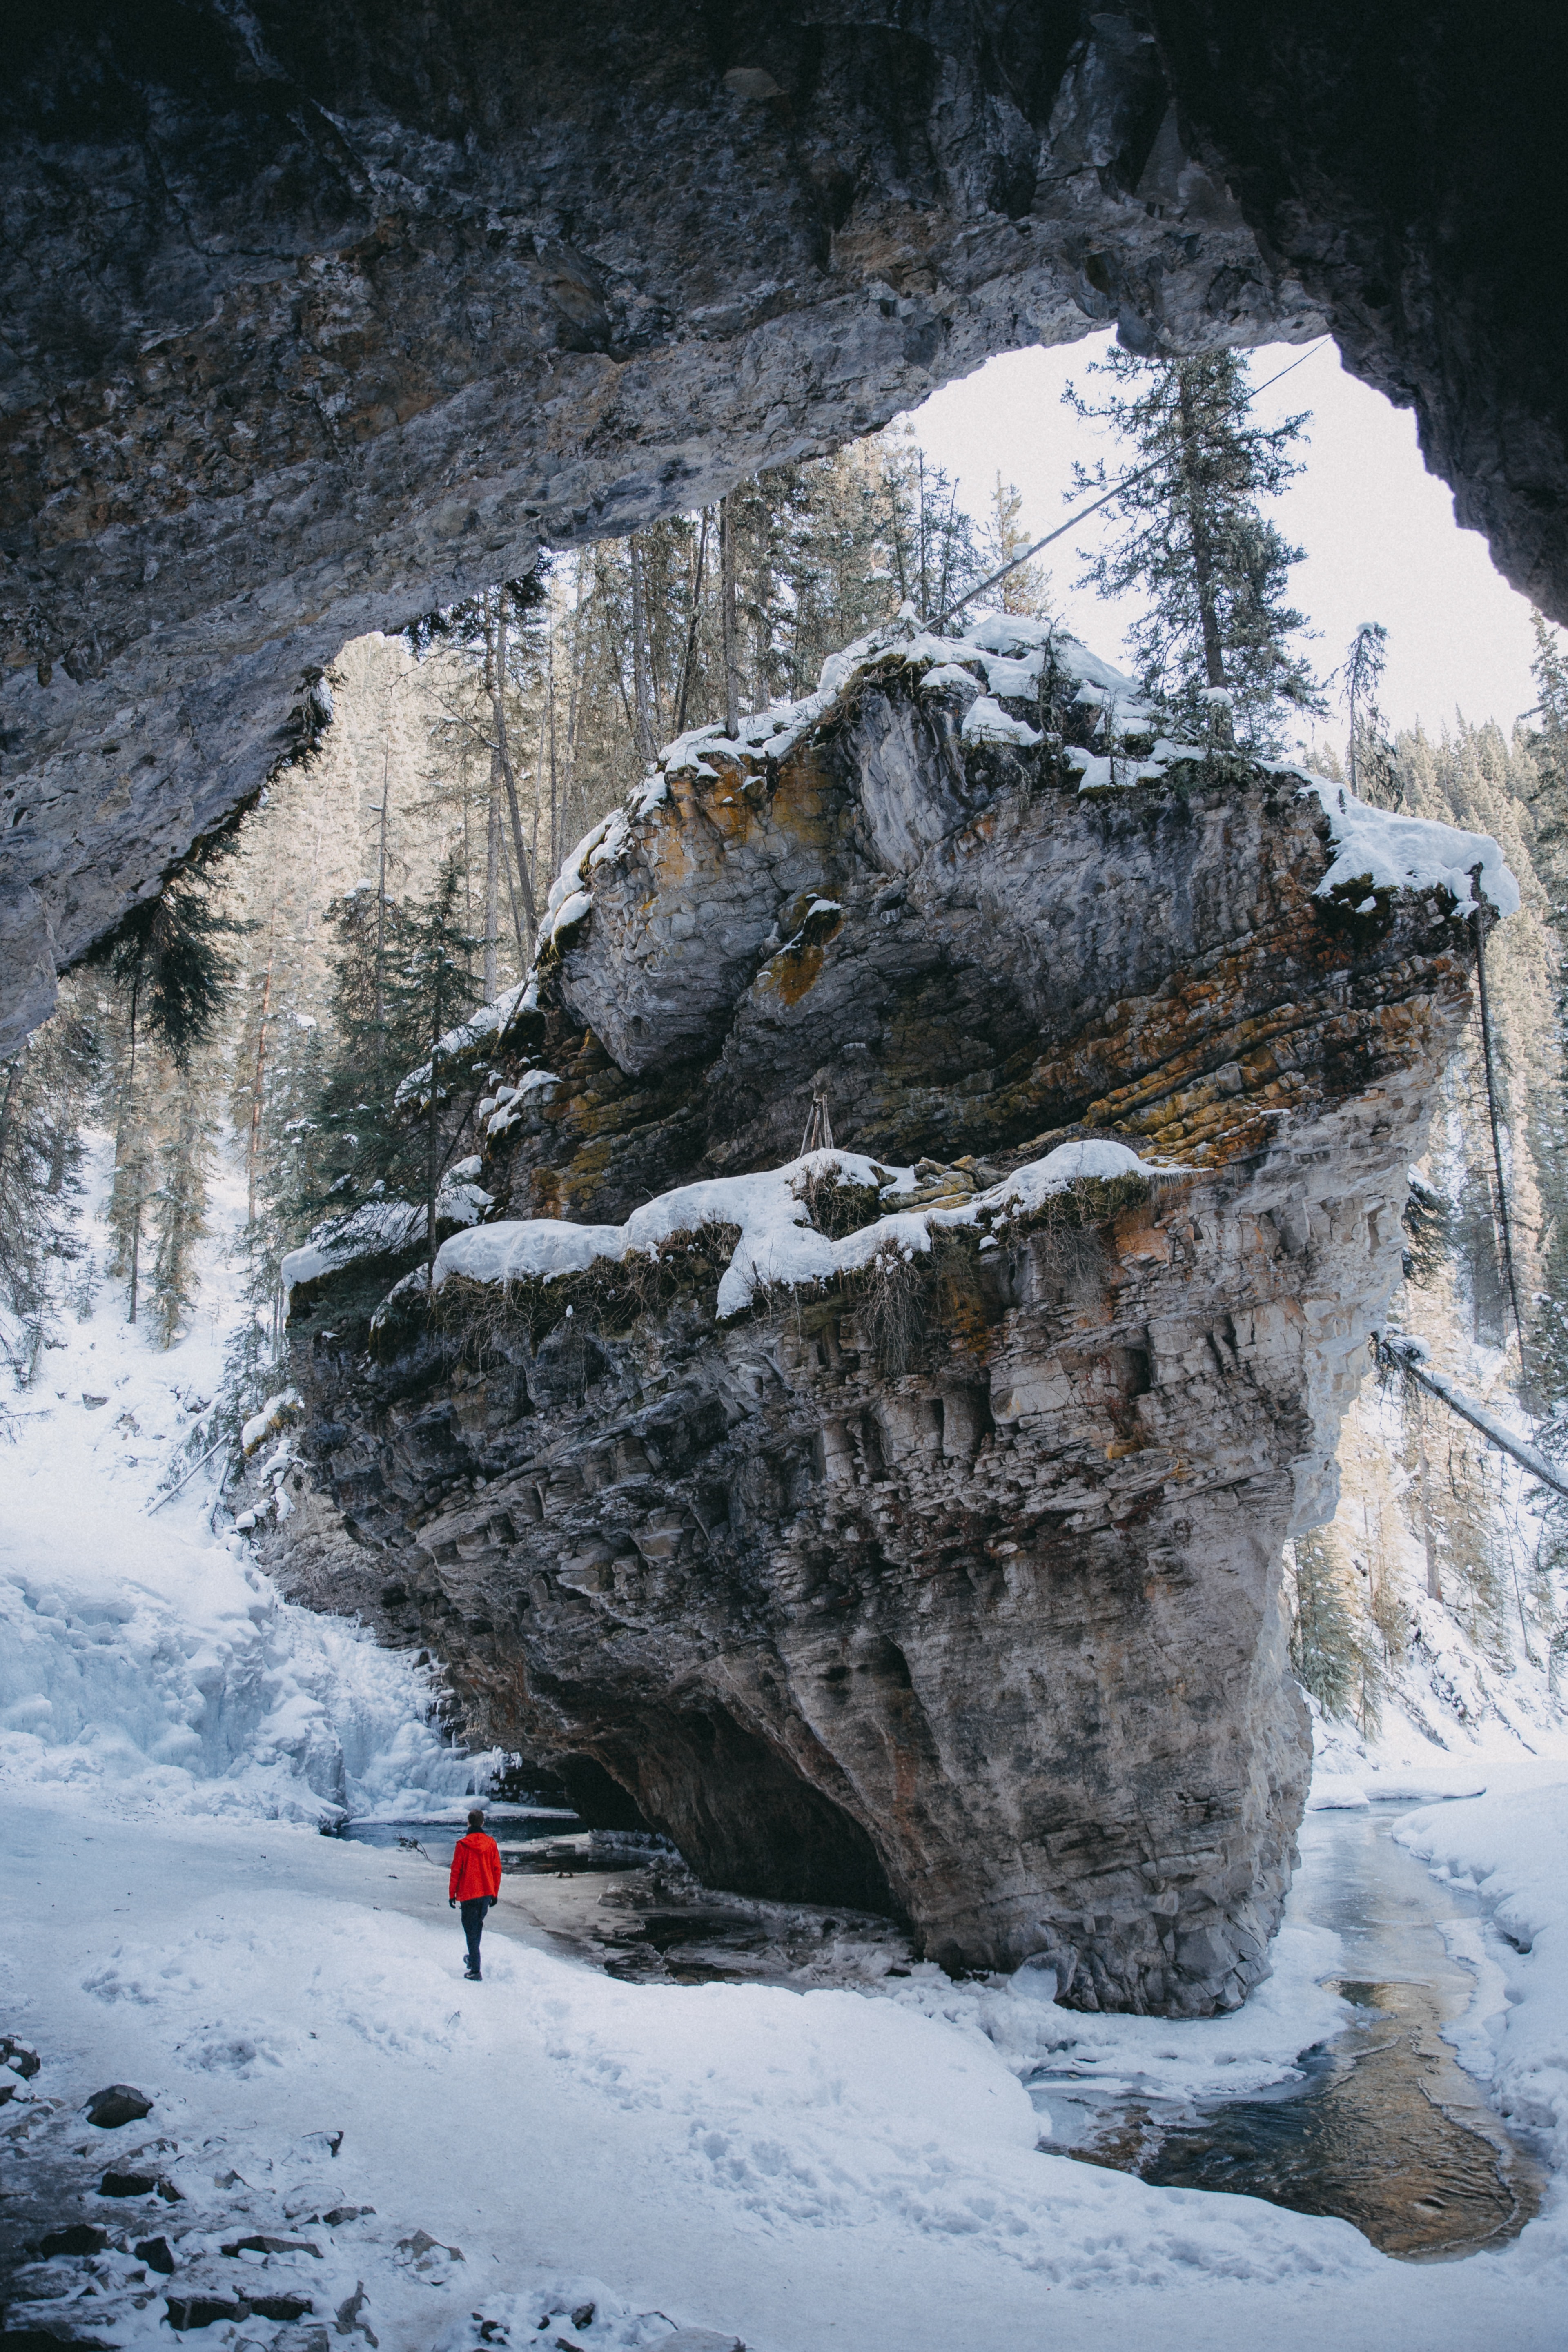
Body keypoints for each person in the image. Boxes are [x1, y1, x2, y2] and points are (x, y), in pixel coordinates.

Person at [448, 1807, 502, 1980]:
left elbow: (456, 1871)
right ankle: (472, 1958)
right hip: (486, 1893)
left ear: (469, 1823)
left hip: (469, 1893)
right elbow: (497, 1870)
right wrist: (494, 1893)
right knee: (476, 1926)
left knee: (470, 1929)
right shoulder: (491, 1844)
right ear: (483, 1823)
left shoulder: (463, 1845)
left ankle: (475, 1970)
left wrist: (452, 1894)